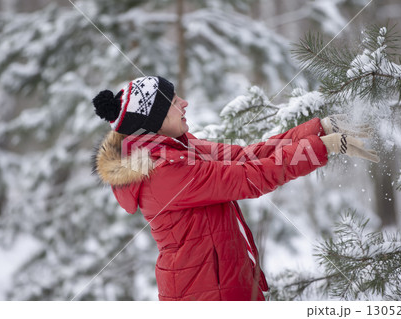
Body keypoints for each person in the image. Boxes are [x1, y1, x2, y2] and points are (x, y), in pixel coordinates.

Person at [92, 75, 379, 301]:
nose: (185, 103)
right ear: (154, 122)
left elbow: (248, 156)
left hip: (223, 286)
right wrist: (319, 148)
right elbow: (249, 177)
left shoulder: (183, 149)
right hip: (204, 297)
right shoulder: (163, 173)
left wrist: (318, 130)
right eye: (174, 101)